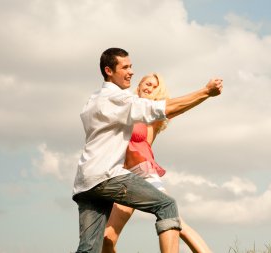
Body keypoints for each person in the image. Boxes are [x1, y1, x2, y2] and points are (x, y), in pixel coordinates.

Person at [72, 47, 223, 253]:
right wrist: (205, 92)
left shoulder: (94, 100)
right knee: (166, 206)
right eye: (125, 67)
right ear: (109, 70)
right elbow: (160, 109)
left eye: (131, 66)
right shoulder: (118, 99)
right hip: (109, 176)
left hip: (86, 183)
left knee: (90, 247)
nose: (131, 71)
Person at [102, 73, 213, 253]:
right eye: (147, 83)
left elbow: (181, 107)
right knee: (107, 239)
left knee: (178, 224)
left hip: (144, 174)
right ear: (138, 86)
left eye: (154, 87)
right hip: (123, 179)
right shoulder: (125, 107)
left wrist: (206, 92)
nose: (150, 88)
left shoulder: (153, 115)